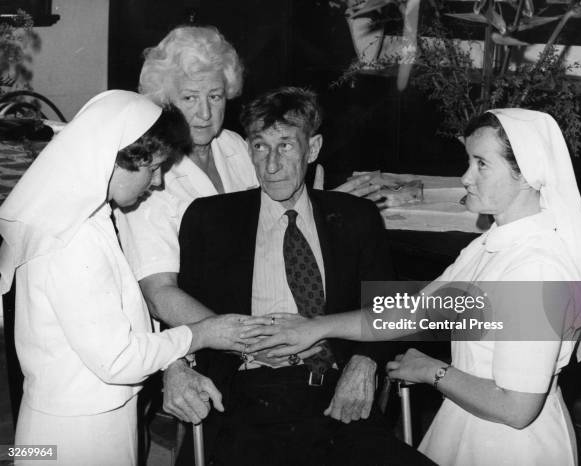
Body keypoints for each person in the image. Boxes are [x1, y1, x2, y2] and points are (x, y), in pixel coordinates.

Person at [245, 109, 581, 466]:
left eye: (481, 164)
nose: (465, 177)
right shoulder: (493, 242)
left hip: (510, 446)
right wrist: (316, 327)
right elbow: (414, 312)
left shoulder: (536, 268)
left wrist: (431, 370)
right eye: (469, 162)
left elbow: (516, 408)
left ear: (526, 174)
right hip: (470, 421)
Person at [113, 25, 384, 420]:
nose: (205, 113)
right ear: (165, 102)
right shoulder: (152, 176)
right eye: (189, 98)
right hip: (196, 342)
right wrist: (252, 340)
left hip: (285, 335)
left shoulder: (236, 147)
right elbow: (158, 295)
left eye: (215, 96)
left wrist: (333, 210)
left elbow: (283, 215)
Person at [0, 90, 268, 466]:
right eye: (152, 167)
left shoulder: (91, 218)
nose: (157, 181)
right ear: (116, 159)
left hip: (98, 417)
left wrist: (173, 360)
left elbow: (124, 316)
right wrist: (203, 332)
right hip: (75, 434)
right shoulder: (71, 240)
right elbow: (119, 358)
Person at [172, 87, 433, 465]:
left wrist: (364, 363)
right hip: (245, 397)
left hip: (334, 393)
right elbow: (181, 319)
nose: (271, 165)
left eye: (286, 147)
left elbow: (389, 310)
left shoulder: (355, 217)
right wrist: (175, 365)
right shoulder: (210, 219)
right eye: (260, 147)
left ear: (313, 149)